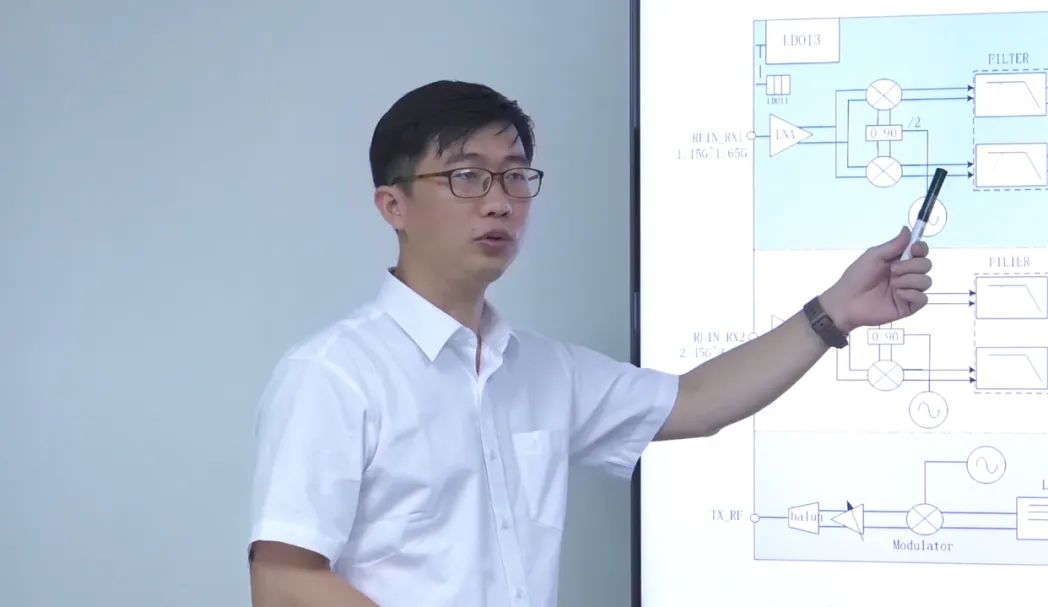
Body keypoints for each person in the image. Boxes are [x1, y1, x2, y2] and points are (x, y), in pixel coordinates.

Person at [245, 80, 933, 606]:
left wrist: (835, 311)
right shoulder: (335, 374)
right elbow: (282, 579)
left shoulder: (543, 370)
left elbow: (698, 402)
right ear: (392, 205)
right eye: (467, 175)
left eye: (516, 176)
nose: (499, 201)